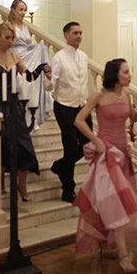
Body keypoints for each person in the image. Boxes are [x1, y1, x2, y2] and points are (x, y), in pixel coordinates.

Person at [73, 58, 137, 274]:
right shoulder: (99, 95)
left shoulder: (126, 95)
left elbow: (133, 117)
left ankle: (108, 243)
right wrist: (96, 141)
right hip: (106, 155)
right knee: (116, 204)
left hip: (123, 154)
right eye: (126, 72)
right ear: (115, 74)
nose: (129, 75)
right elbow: (79, 120)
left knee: (118, 202)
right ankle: (124, 256)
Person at [0, 23, 52, 198]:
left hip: (14, 105)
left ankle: (22, 185)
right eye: (7, 37)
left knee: (25, 146)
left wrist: (41, 67)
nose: (10, 41)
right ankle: (0, 184)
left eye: (12, 38)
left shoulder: (15, 57)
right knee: (2, 146)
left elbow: (29, 77)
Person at [49, 22, 91, 203]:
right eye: (75, 33)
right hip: (64, 106)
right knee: (70, 147)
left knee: (88, 145)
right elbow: (50, 84)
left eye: (80, 33)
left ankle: (60, 166)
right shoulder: (59, 57)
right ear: (66, 35)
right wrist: (48, 79)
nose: (79, 36)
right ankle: (68, 189)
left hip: (82, 106)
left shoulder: (84, 56)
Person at [8, 0, 52, 127]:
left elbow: (27, 45)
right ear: (13, 10)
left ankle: (46, 81)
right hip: (16, 57)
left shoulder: (25, 27)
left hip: (27, 57)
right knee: (24, 88)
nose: (23, 12)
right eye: (20, 9)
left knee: (41, 48)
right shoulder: (9, 26)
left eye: (24, 10)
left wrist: (36, 48)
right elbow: (7, 44)